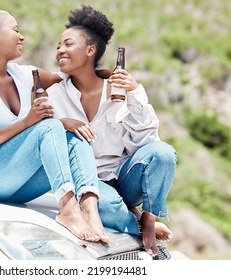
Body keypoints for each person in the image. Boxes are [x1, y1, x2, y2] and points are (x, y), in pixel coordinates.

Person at [0, 9, 113, 243]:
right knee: (49, 127)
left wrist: (110, 75)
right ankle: (68, 210)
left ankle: (90, 211)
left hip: (13, 181)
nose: (22, 37)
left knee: (75, 135)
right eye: (15, 30)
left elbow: (71, 75)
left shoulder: (25, 75)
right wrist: (29, 121)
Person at [46, 5, 177, 256]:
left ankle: (148, 218)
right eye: (57, 46)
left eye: (67, 44)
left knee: (163, 153)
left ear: (90, 50)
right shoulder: (54, 93)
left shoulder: (118, 89)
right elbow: (43, 135)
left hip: (123, 177)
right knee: (106, 207)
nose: (60, 51)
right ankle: (135, 224)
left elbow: (148, 142)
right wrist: (61, 123)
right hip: (89, 184)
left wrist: (136, 93)